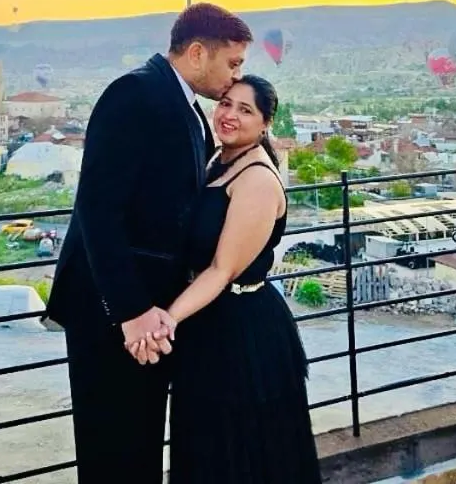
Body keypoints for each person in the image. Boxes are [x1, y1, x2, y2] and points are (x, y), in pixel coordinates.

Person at [44, 3, 253, 483]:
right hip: (112, 312)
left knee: (138, 447)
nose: (236, 76)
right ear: (198, 53)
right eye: (233, 63)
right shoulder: (134, 93)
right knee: (112, 451)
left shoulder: (183, 106)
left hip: (152, 315)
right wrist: (132, 311)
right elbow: (98, 211)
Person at [133, 74, 320, 484]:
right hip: (206, 324)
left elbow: (221, 270)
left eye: (245, 109)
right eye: (225, 103)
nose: (230, 115)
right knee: (203, 446)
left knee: (239, 453)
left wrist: (166, 319)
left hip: (242, 331)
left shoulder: (256, 180)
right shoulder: (216, 160)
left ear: (266, 123)